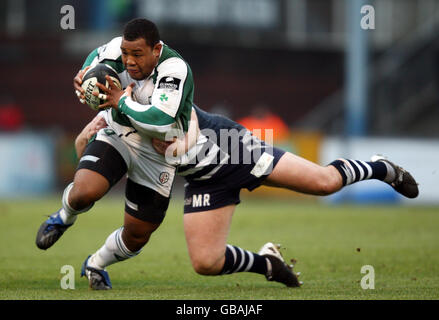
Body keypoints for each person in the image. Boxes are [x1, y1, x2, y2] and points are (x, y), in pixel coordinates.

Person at [38, 18, 419, 290]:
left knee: (323, 182)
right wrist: (86, 75)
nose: (129, 62)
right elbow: (96, 63)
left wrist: (114, 106)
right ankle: (267, 263)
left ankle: (380, 167)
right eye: (126, 55)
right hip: (201, 176)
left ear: (155, 50)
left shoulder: (173, 70)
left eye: (137, 55)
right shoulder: (120, 59)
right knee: (206, 263)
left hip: (230, 148)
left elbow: (157, 117)